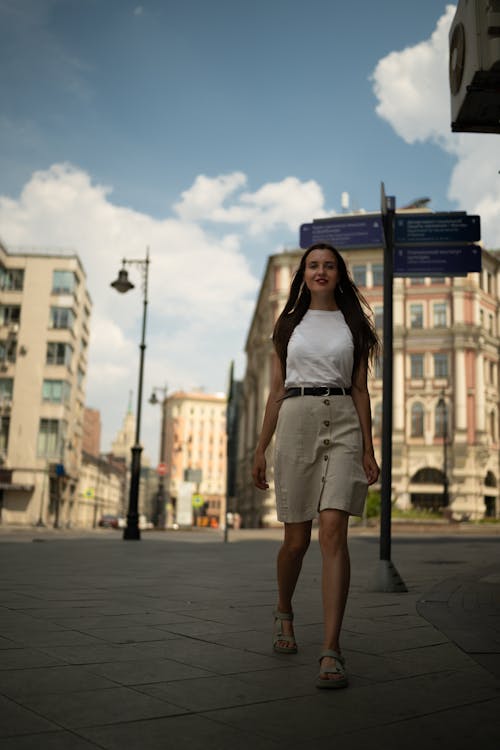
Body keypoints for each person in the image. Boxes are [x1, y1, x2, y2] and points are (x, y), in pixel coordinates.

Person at [252, 242, 380, 689]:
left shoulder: (355, 324)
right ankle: (284, 609)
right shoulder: (288, 324)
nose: (321, 271)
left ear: (340, 274)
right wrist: (260, 447)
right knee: (295, 541)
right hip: (296, 420)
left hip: (343, 419)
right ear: (303, 275)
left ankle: (331, 648)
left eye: (329, 265)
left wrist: (368, 447)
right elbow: (275, 390)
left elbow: (361, 388)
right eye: (313, 265)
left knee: (332, 532)